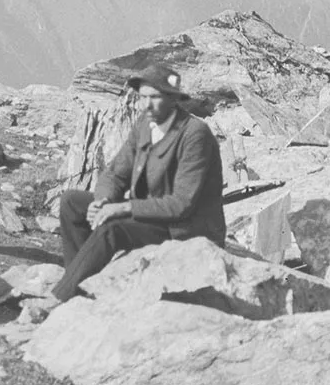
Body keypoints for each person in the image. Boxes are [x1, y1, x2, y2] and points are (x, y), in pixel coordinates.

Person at [48, 62, 224, 305]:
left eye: (155, 97)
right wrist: (103, 202)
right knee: (71, 202)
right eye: (142, 97)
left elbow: (182, 204)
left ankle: (60, 298)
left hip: (184, 229)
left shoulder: (194, 134)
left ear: (174, 99)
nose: (147, 104)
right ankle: (77, 283)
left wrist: (122, 208)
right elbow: (115, 173)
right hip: (151, 213)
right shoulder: (146, 124)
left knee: (113, 228)